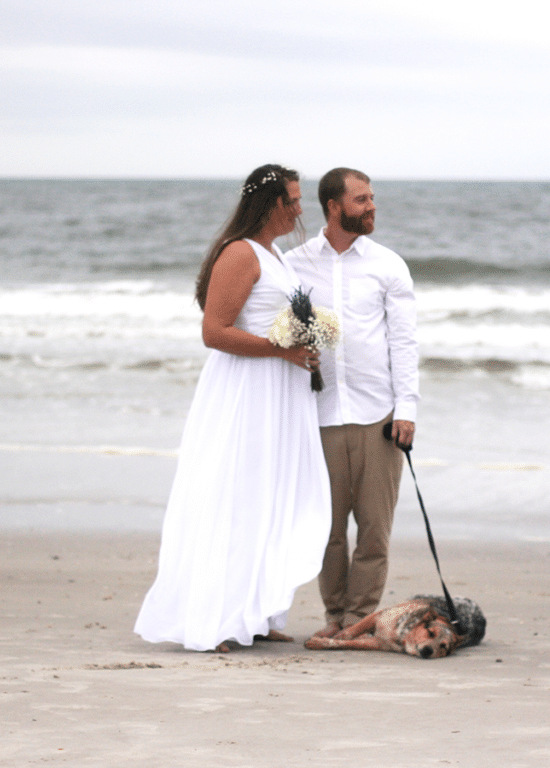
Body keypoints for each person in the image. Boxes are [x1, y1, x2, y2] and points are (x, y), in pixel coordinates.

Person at [134, 164, 332, 653]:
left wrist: (306, 341)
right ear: (270, 204)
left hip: (281, 394)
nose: (301, 208)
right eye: (294, 200)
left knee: (270, 498)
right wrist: (280, 349)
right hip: (247, 394)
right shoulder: (240, 254)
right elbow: (214, 331)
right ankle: (214, 618)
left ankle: (255, 613)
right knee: (237, 497)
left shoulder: (275, 254)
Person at [285, 167, 420, 638]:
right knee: (328, 530)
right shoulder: (294, 263)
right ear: (334, 207)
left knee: (375, 531)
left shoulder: (388, 264)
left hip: (378, 415)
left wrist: (407, 408)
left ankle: (359, 621)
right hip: (316, 414)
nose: (371, 206)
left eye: (372, 197)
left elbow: (404, 342)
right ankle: (332, 618)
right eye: (361, 199)